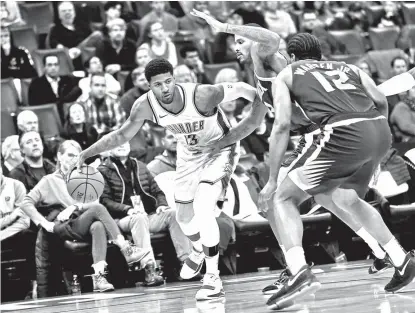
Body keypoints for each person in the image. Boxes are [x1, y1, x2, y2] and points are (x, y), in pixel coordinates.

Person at [191, 9, 397, 296]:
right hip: (322, 138)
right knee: (330, 197)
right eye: (234, 42)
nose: (235, 47)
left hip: (324, 137)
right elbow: (252, 121)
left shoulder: (276, 61)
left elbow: (272, 36)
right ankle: (379, 251)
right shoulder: (261, 76)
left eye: (240, 41)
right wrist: (219, 143)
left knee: (276, 198)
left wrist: (222, 25)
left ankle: (295, 266)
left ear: (253, 41)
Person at [76, 58, 256, 300]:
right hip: (188, 154)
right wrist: (87, 152)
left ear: (175, 79)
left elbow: (243, 88)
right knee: (182, 217)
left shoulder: (203, 95)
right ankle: (197, 249)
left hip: (220, 150)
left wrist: (266, 102)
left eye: (169, 82)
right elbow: (120, 135)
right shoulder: (144, 106)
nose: (165, 89)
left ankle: (212, 277)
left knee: (203, 207)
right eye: (158, 84)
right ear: (149, 86)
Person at [257, 33, 415, 309]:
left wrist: (271, 180)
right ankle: (400, 259)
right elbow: (379, 100)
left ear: (292, 57)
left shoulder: (287, 74)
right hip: (377, 129)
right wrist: (377, 144)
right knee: (346, 199)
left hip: (341, 132)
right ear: (319, 54)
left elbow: (282, 126)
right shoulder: (349, 68)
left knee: (282, 198)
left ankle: (298, 271)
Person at [20, 140, 150, 292]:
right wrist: (43, 222)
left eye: (78, 156)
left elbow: (93, 202)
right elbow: (25, 203)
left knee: (98, 225)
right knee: (98, 210)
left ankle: (99, 278)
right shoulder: (49, 180)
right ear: (59, 157)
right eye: (70, 155)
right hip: (64, 225)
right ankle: (125, 248)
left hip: (84, 221)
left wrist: (75, 206)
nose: (74, 159)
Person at [99, 142, 191, 286]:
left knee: (174, 214)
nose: (122, 144)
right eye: (117, 142)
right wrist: (127, 209)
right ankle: (150, 269)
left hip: (146, 215)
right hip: (120, 220)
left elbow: (157, 191)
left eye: (125, 141)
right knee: (139, 218)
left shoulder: (140, 166)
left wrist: (161, 205)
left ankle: (187, 264)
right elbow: (105, 201)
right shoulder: (103, 171)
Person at [28, 54, 82, 120]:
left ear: (59, 66)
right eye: (50, 65)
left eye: (56, 64)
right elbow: (36, 108)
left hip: (68, 117)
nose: (53, 68)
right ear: (44, 67)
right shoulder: (36, 84)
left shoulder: (68, 80)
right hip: (47, 118)